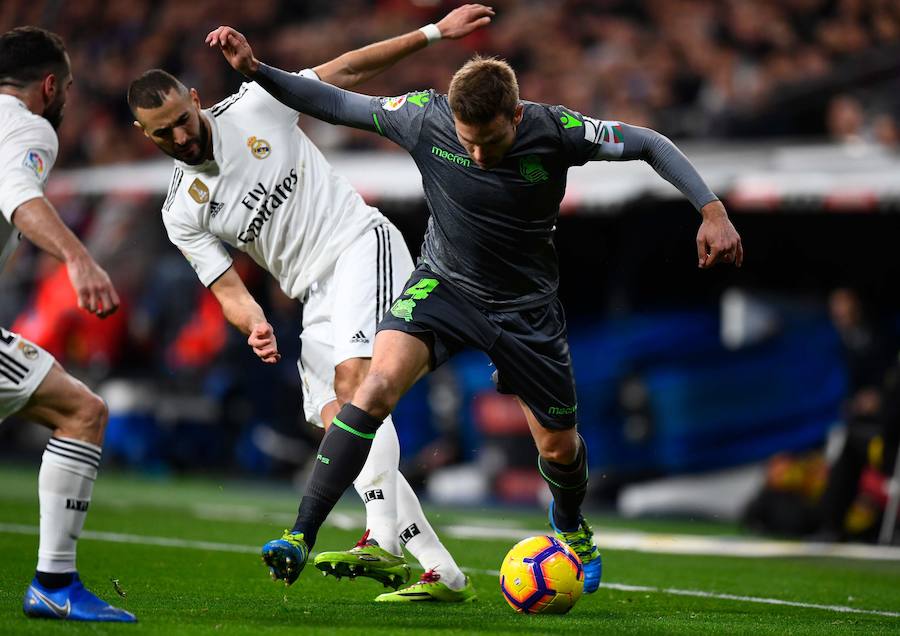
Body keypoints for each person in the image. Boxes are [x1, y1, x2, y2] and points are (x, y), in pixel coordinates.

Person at [209, 23, 744, 595]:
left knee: (559, 448)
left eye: (490, 141)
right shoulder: (424, 116)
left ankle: (569, 525)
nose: (479, 154)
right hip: (444, 287)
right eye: (467, 143)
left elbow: (649, 143)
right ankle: (300, 533)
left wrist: (711, 210)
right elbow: (335, 102)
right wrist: (258, 72)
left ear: (516, 115)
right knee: (372, 387)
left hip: (525, 308)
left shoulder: (557, 130)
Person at [129, 5, 496, 603]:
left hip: (358, 245)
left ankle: (380, 541)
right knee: (337, 428)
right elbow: (224, 285)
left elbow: (346, 70)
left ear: (195, 98)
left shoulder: (255, 104)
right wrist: (253, 322)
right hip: (311, 294)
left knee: (357, 386)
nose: (180, 135)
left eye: (181, 118)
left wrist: (433, 33)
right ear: (145, 136)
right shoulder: (181, 209)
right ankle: (441, 571)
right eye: (163, 131)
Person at [0, 27, 134, 622]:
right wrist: (79, 257)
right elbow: (17, 192)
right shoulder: (28, 127)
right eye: (69, 87)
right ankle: (54, 583)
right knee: (82, 412)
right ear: (49, 85)